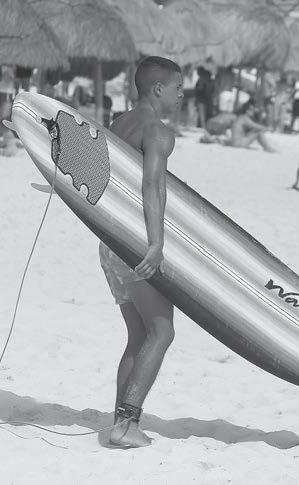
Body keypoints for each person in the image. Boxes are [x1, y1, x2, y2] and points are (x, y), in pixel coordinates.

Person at [99, 56, 183, 448]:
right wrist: (156, 244)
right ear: (158, 88)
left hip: (108, 243)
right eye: (178, 88)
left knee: (139, 335)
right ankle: (126, 424)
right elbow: (153, 186)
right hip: (134, 243)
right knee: (162, 331)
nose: (181, 96)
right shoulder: (157, 131)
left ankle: (120, 421)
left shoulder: (119, 125)